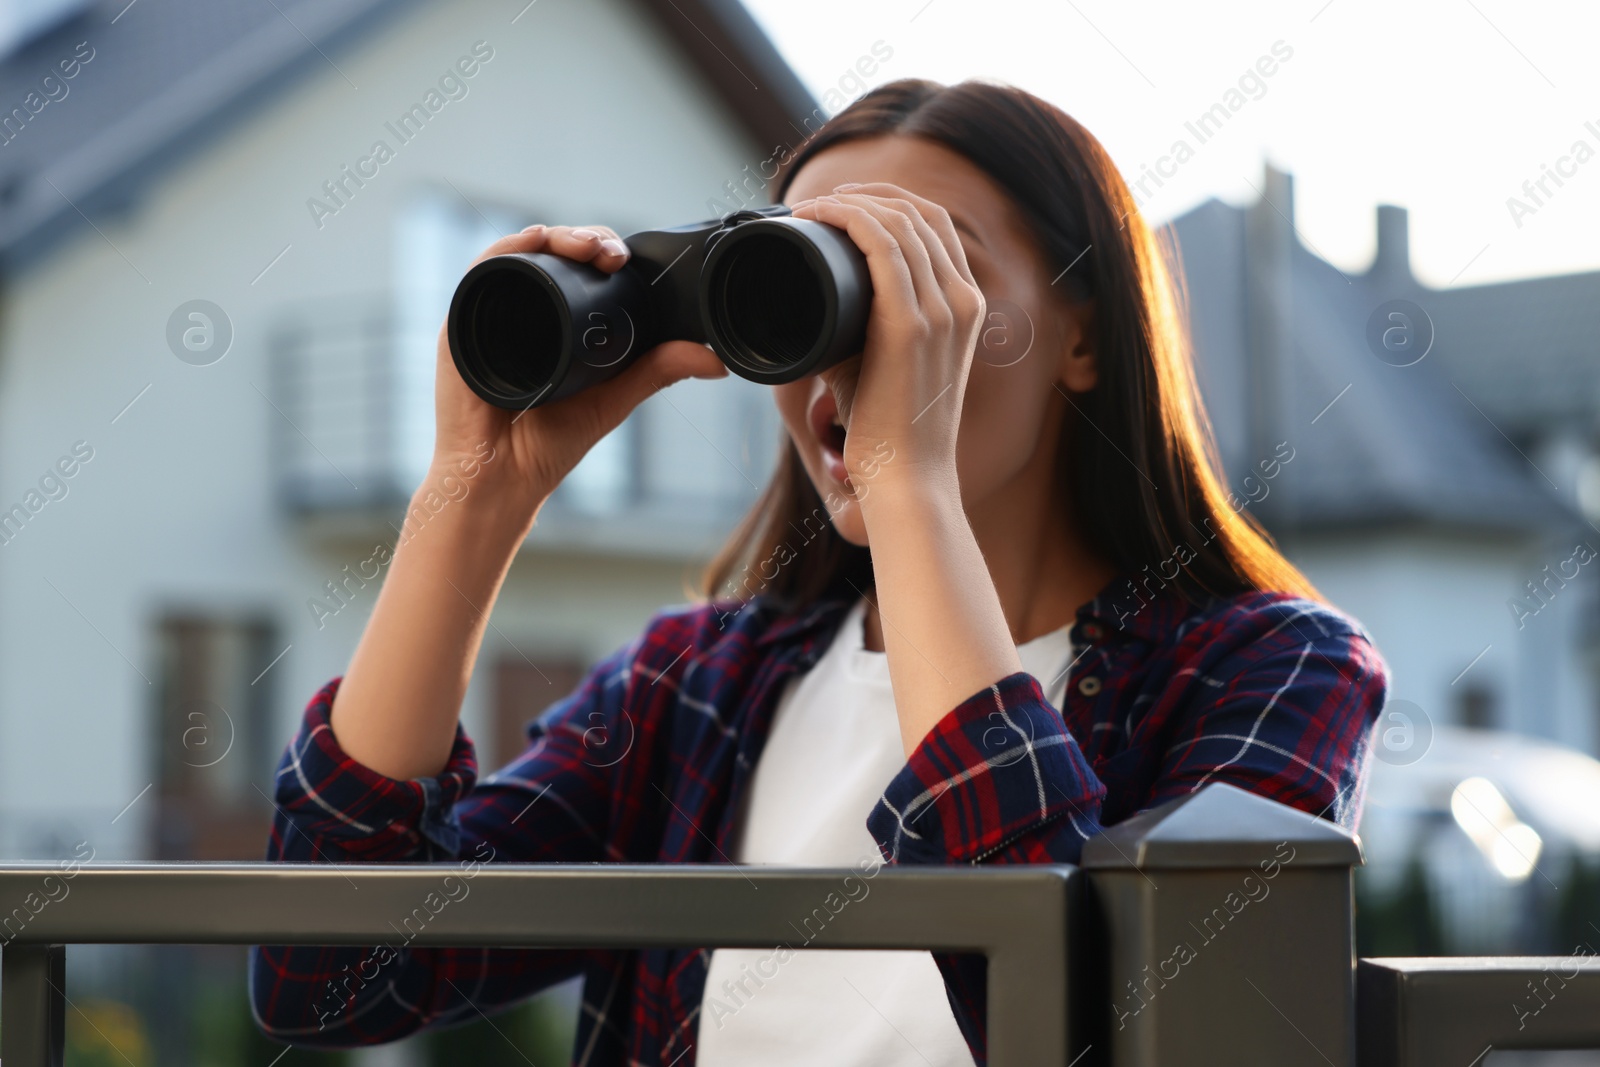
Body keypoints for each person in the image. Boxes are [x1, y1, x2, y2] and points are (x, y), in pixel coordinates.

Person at [249, 78, 1387, 1067]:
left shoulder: (1272, 665)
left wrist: (908, 489)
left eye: (925, 272)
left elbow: (1110, 1025)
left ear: (1082, 337)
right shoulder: (699, 683)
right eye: (812, 281)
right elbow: (335, 973)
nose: (862, 340)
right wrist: (473, 493)